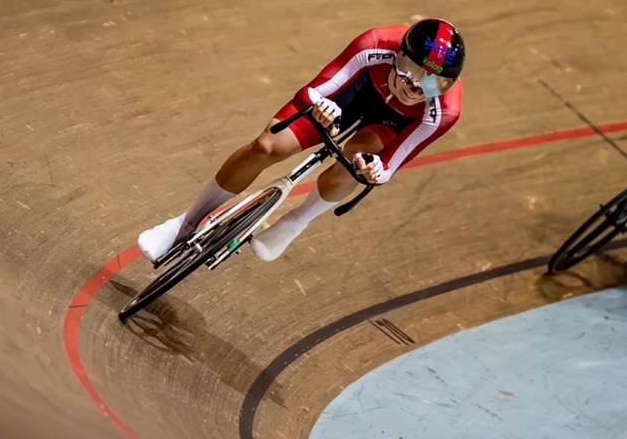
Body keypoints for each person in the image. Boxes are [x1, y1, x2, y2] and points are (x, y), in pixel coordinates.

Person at [137, 18, 464, 263]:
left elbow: (392, 162)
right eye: (411, 70)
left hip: (388, 125)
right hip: (351, 93)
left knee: (353, 164)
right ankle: (185, 222)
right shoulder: (375, 43)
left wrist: (374, 171)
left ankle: (297, 221)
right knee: (266, 147)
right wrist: (323, 106)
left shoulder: (444, 112)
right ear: (399, 54)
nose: (415, 88)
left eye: (433, 83)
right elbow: (314, 89)